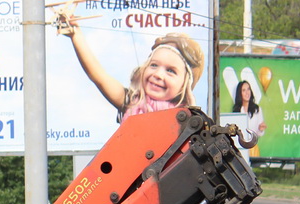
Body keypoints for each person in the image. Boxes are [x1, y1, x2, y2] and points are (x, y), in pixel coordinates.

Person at [56, 11, 204, 122]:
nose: (158, 75)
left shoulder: (185, 118)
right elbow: (99, 76)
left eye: (170, 71)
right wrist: (76, 35)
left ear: (186, 84)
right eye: (153, 65)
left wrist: (192, 111)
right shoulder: (130, 101)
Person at [232, 80, 266, 155]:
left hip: (252, 148)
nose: (247, 92)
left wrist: (260, 129)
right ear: (240, 93)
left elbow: (259, 133)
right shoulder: (236, 111)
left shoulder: (257, 109)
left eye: (248, 89)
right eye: (244, 90)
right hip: (240, 148)